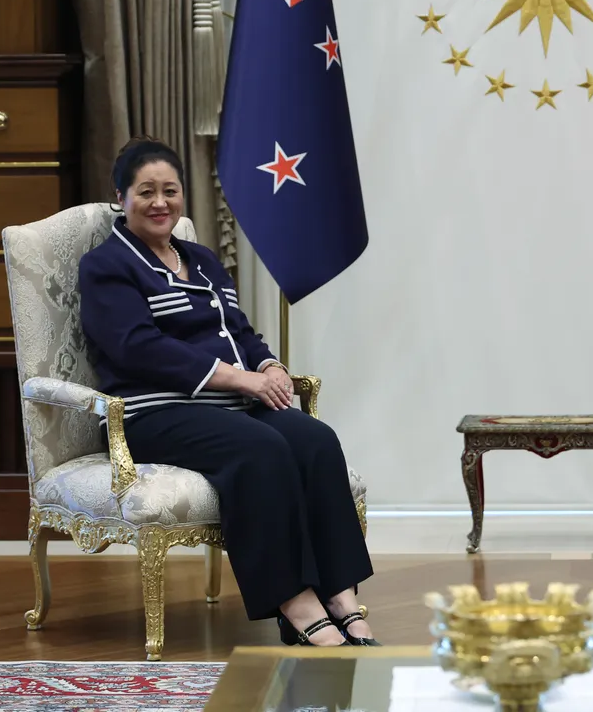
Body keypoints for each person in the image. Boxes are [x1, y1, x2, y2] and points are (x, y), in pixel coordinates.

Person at [79, 137, 377, 648]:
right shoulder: (106, 265)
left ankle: (340, 594)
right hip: (152, 414)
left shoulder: (201, 259)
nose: (160, 203)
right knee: (262, 448)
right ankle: (294, 602)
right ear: (120, 197)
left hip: (227, 406)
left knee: (315, 440)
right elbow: (139, 349)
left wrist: (269, 366)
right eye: (145, 192)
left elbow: (238, 329)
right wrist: (241, 379)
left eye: (170, 190)